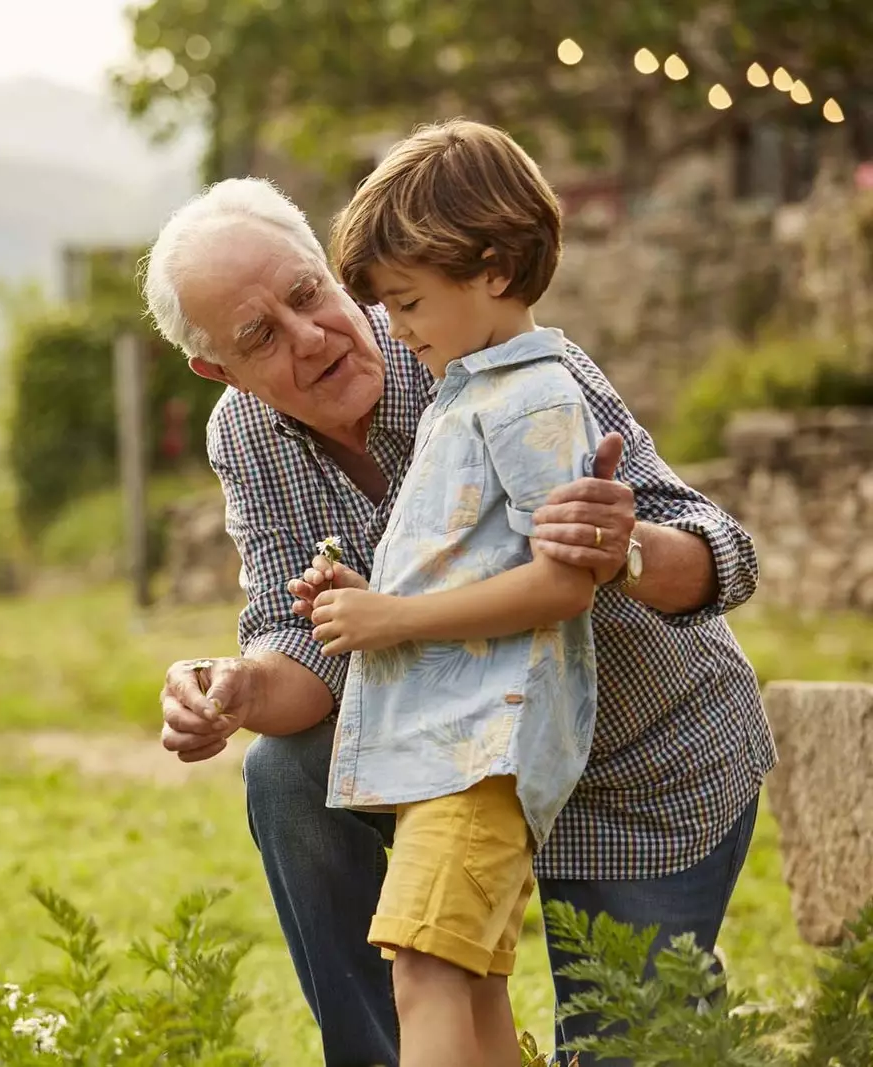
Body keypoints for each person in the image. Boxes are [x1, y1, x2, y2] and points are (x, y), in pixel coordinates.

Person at [142, 144, 775, 1064]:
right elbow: (305, 647)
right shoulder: (246, 433)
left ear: (331, 266)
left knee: (640, 1048)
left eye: (308, 294)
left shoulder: (496, 357)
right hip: (463, 764)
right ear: (218, 372)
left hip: (638, 766)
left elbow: (725, 553)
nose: (312, 336)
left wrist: (622, 548)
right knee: (284, 773)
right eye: (260, 338)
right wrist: (235, 689)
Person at [303, 120, 603, 1067]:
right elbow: (473, 567)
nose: (396, 328)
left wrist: (393, 618)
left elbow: (563, 582)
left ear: (496, 269)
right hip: (450, 743)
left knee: (426, 971)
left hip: (484, 746)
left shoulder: (536, 397)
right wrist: (367, 596)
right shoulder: (463, 396)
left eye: (409, 299)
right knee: (464, 986)